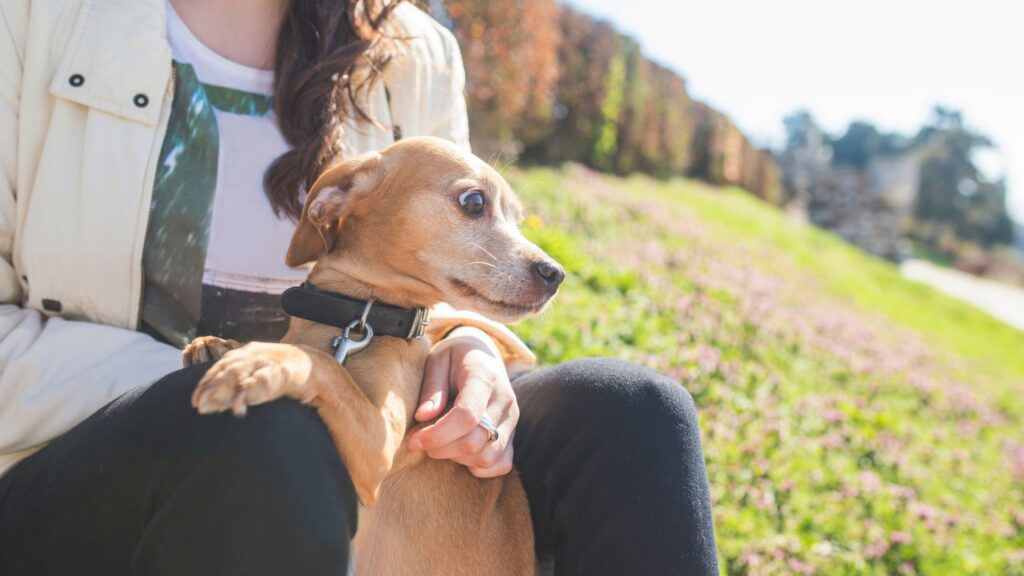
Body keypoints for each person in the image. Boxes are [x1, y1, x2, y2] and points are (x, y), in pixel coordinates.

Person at [0, 0, 719, 574]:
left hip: (367, 410)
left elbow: (437, 271)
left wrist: (468, 344)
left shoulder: (415, 48)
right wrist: (259, 374)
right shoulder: (37, 17)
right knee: (274, 433)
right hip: (82, 463)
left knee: (633, 413)